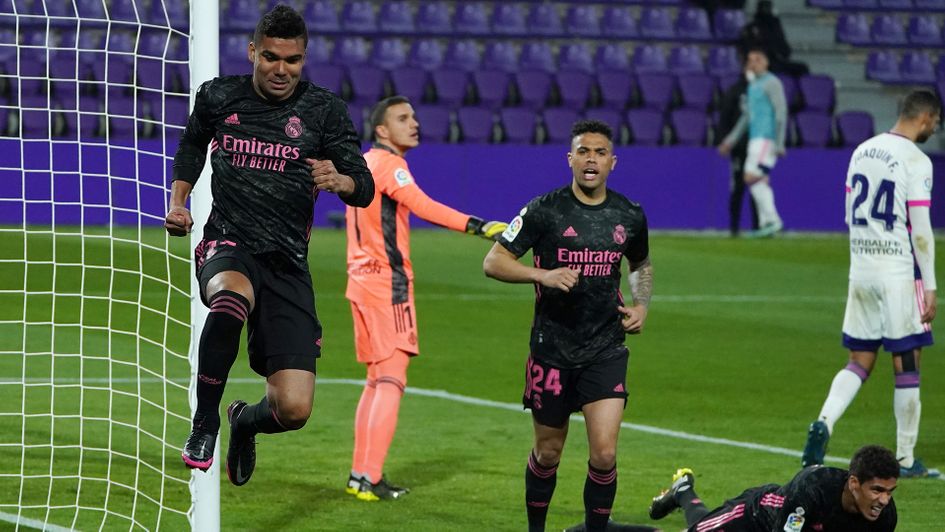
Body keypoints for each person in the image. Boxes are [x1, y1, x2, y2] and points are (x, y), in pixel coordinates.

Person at [166, 4, 374, 486]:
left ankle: (244, 421)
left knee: (294, 408)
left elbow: (363, 185)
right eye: (272, 57)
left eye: (293, 60)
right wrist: (179, 202)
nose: (282, 69)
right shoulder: (219, 96)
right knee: (230, 297)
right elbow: (193, 145)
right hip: (229, 241)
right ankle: (205, 422)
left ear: (304, 59)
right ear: (253, 51)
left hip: (287, 262)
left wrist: (339, 179)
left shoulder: (323, 110)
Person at [483, 119, 652, 532]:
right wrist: (542, 275)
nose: (590, 159)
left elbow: (640, 263)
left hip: (605, 349)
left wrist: (642, 304)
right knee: (548, 453)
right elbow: (494, 261)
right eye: (583, 151)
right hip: (552, 350)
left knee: (605, 454)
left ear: (612, 162)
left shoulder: (629, 215)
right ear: (570, 159)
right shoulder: (545, 209)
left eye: (599, 152)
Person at [345, 95, 507, 501]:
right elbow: (423, 206)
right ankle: (371, 479)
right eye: (402, 118)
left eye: (414, 116)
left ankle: (359, 475)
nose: (413, 123)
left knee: (375, 381)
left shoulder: (364, 163)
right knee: (392, 379)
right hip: (388, 283)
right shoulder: (390, 166)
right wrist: (479, 226)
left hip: (359, 280)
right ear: (382, 129)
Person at [801, 90, 940, 478]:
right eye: (936, 122)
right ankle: (907, 458)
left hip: (860, 268)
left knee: (859, 359)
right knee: (908, 361)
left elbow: (849, 215)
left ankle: (824, 422)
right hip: (896, 271)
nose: (936, 128)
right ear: (926, 117)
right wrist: (929, 284)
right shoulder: (916, 160)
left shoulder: (862, 151)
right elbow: (922, 231)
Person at [647, 444, 899, 531]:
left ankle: (682, 490)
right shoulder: (812, 490)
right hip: (753, 518)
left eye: (889, 492)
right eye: (876, 490)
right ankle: (683, 492)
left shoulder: (885, 517)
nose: (883, 500)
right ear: (854, 484)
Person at [718, 47, 787, 238]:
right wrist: (730, 141)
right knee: (757, 179)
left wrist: (780, 142)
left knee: (751, 177)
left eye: (757, 59)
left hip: (766, 138)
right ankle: (767, 224)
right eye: (750, 60)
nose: (752, 63)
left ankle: (773, 220)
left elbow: (781, 113)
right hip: (755, 139)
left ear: (766, 62)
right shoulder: (753, 86)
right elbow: (747, 118)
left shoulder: (772, 83)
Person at [716, 72, 758, 237]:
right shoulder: (735, 91)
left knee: (757, 188)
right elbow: (726, 117)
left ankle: (758, 227)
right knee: (738, 188)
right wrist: (726, 141)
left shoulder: (761, 91)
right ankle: (734, 228)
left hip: (756, 146)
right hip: (740, 149)